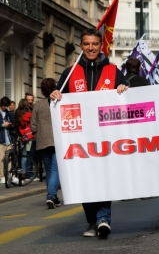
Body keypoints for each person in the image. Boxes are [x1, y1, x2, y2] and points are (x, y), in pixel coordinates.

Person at [50, 28, 129, 238]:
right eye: (87, 44)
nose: (91, 48)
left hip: (106, 138)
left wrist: (124, 87)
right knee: (85, 180)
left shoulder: (113, 70)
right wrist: (55, 94)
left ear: (101, 45)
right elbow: (57, 98)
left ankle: (104, 219)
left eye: (95, 44)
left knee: (104, 177)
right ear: (81, 46)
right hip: (79, 138)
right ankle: (92, 221)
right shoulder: (69, 72)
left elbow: (127, 92)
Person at [31, 78, 61, 208]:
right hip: (57, 141)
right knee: (55, 170)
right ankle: (51, 195)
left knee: (49, 171)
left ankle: (53, 197)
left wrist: (39, 134)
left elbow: (33, 126)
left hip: (42, 141)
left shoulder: (38, 105)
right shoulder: (60, 102)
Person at [1, 96, 18, 184]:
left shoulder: (8, 113)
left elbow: (13, 121)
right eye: (4, 106)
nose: (5, 108)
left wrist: (11, 124)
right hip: (1, 139)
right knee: (1, 159)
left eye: (6, 106)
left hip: (9, 138)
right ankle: (2, 176)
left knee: (9, 158)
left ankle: (9, 175)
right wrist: (3, 125)